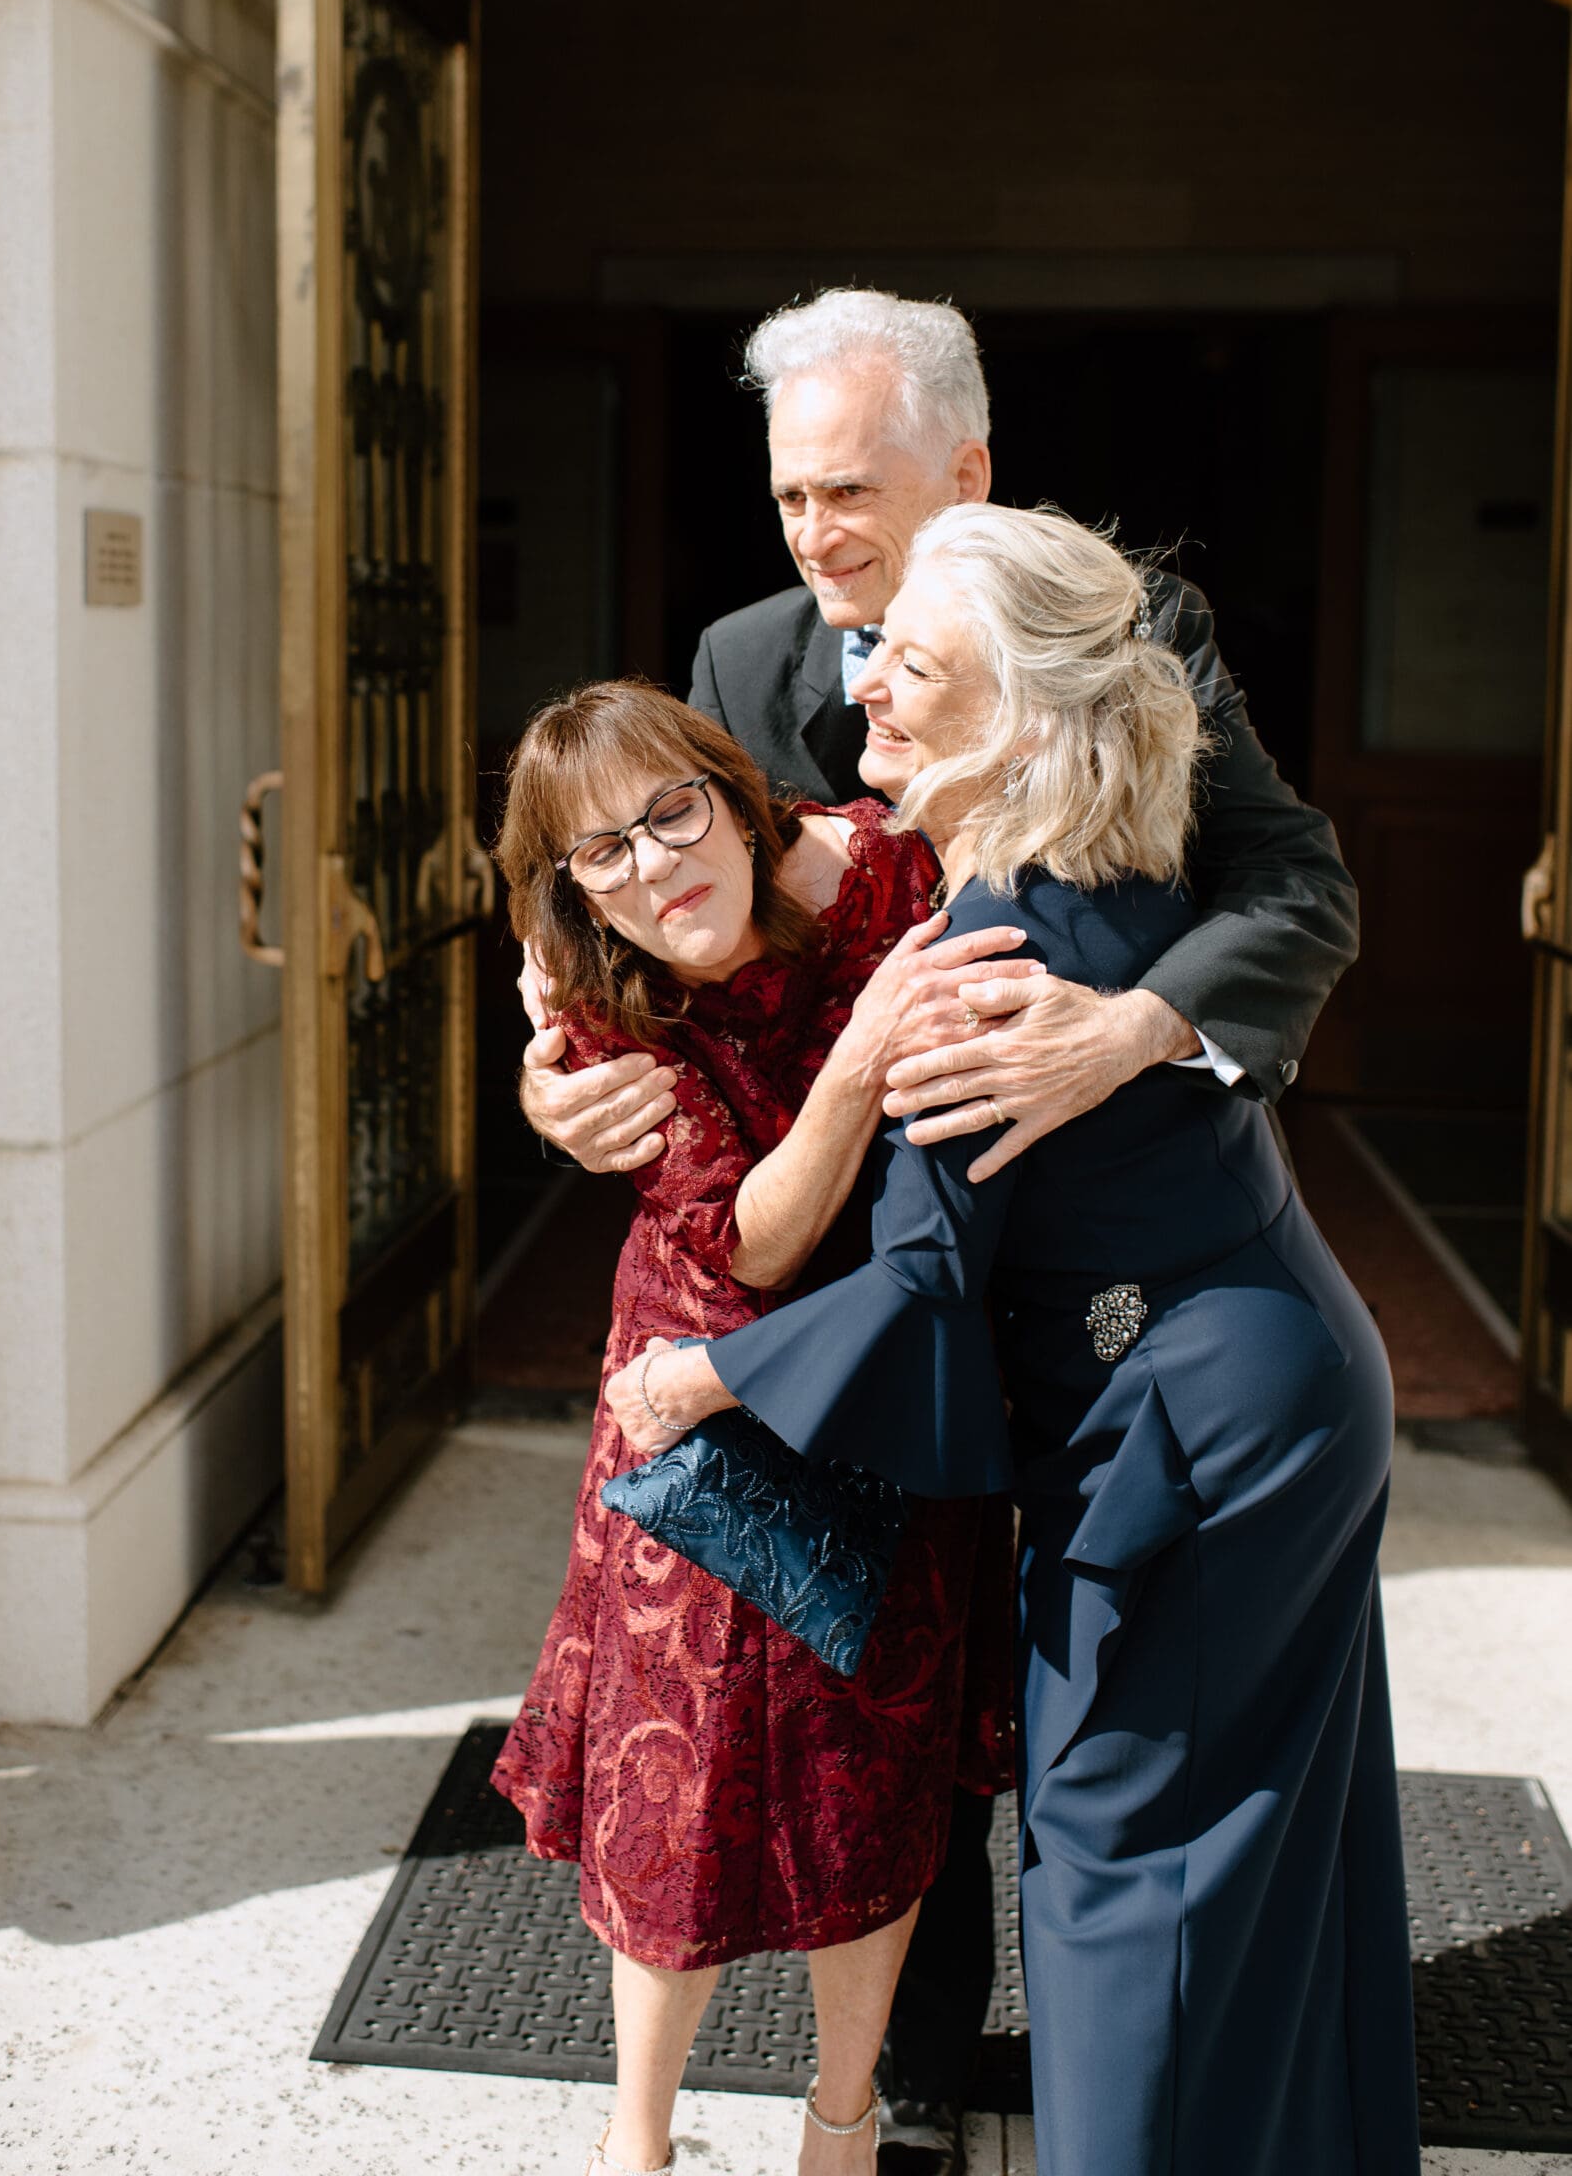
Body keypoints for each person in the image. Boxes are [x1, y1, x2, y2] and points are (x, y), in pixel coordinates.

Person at [519, 289, 1361, 2174]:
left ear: (965, 475)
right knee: (844, 1724)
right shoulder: (740, 659)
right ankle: (890, 2099)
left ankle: (1042, 2099)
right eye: (788, 497)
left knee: (1016, 1736)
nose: (817, 546)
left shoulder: (1106, 632)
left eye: (850, 495)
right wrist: (543, 1066)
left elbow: (1290, 880)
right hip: (834, 1281)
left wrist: (1126, 1032)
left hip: (1035, 1287)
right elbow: (616, 879)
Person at [489, 681, 1016, 2176]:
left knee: (878, 1767)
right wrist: (857, 1065)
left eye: (673, 813)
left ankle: (838, 2125)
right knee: (679, 1772)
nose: (656, 867)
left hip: (892, 1372)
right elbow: (749, 1245)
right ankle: (636, 2143)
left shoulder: (892, 871)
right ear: (568, 887)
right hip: (694, 1394)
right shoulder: (601, 1008)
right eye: (602, 853)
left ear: (736, 793)